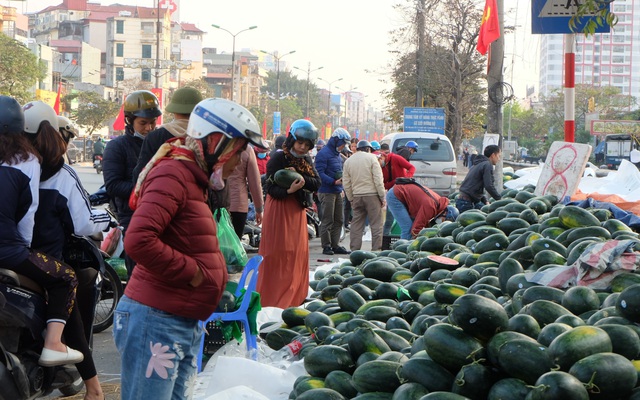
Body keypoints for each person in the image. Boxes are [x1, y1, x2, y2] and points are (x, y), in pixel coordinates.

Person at [115, 98, 267, 400]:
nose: (238, 162)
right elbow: (139, 239)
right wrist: (195, 274)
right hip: (155, 321)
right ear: (216, 142)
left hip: (178, 320)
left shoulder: (193, 178)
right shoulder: (174, 174)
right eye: (238, 151)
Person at [24, 100, 110, 400]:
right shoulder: (61, 174)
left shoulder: (13, 166)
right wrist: (109, 218)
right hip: (40, 259)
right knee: (68, 291)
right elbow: (84, 223)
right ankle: (94, 388)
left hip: (13, 254)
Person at [0, 97, 84, 368]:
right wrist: (23, 249)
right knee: (67, 278)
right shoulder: (26, 160)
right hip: (9, 251)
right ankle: (53, 344)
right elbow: (27, 216)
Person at [256, 119, 321, 308]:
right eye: (300, 143)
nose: (302, 148)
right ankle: (273, 298)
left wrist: (300, 177)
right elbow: (270, 187)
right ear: (292, 139)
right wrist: (289, 191)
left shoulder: (306, 159)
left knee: (296, 252)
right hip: (279, 208)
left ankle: (294, 296)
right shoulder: (278, 158)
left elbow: (316, 182)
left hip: (296, 211)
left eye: (307, 145)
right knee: (277, 252)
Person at [103, 90, 161, 277]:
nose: (149, 128)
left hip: (160, 217)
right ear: (129, 121)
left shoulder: (162, 143)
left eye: (152, 122)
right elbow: (113, 185)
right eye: (143, 123)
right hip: (132, 219)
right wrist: (148, 190)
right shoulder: (117, 147)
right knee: (138, 275)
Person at [132, 86, 203, 183]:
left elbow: (140, 175)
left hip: (162, 192)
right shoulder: (207, 136)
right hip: (199, 195)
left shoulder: (155, 137)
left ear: (174, 111)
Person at [343, 140, 386, 251]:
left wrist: (351, 198)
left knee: (356, 225)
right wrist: (382, 197)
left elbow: (346, 183)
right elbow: (378, 180)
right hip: (372, 196)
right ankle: (376, 251)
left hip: (357, 196)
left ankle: (354, 250)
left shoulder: (348, 161)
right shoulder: (372, 158)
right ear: (368, 149)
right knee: (376, 225)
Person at [315, 128, 351, 256]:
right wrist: (333, 182)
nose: (343, 146)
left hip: (337, 191)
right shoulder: (323, 154)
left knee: (339, 220)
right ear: (336, 140)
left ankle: (335, 245)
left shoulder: (337, 154)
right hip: (327, 191)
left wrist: (340, 187)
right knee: (327, 219)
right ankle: (326, 246)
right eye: (343, 143)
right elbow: (319, 173)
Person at [386, 179, 458, 239]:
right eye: (444, 220)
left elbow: (423, 221)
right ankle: (403, 252)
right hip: (395, 196)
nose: (442, 223)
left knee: (412, 226)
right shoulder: (431, 207)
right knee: (408, 229)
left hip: (403, 194)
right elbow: (416, 229)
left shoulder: (439, 204)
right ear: (445, 213)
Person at [227, 145, 264, 239]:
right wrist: (259, 209)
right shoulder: (246, 149)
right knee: (234, 245)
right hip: (238, 205)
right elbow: (255, 182)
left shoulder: (214, 144)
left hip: (215, 204)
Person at [379, 150, 416, 235]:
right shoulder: (380, 168)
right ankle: (385, 240)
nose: (379, 165)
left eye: (380, 161)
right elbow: (383, 184)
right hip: (392, 195)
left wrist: (406, 178)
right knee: (389, 219)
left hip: (404, 191)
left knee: (407, 219)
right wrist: (393, 183)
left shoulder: (396, 158)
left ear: (382, 157)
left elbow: (411, 168)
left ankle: (408, 237)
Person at [456, 144, 502, 213]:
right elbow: (489, 186)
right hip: (467, 203)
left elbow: (476, 186)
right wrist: (500, 200)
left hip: (464, 200)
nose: (499, 159)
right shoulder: (487, 165)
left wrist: (485, 201)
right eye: (498, 156)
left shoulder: (478, 164)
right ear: (493, 155)